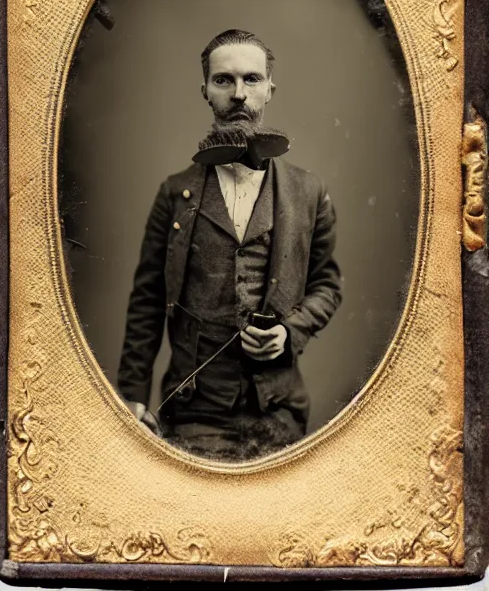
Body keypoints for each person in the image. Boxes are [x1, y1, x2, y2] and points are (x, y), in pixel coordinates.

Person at [117, 29, 342, 460]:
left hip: (278, 409)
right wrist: (131, 395)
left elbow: (327, 285)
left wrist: (288, 332)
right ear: (205, 90)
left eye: (251, 80)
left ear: (270, 89)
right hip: (195, 410)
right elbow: (147, 299)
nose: (239, 94)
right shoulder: (174, 194)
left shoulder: (308, 192)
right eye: (224, 80)